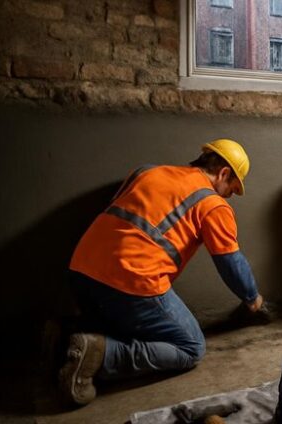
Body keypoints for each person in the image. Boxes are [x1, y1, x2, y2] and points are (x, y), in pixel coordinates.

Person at [60, 139, 264, 405]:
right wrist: (252, 299)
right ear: (224, 173)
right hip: (131, 282)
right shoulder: (213, 205)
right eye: (232, 189)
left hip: (80, 270)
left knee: (121, 326)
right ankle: (101, 357)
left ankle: (64, 339)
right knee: (191, 348)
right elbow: (230, 263)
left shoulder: (146, 171)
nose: (230, 196)